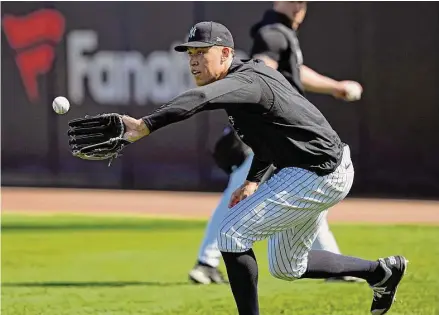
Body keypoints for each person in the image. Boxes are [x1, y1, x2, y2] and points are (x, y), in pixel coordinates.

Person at [121, 21, 408, 315]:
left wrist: (147, 124)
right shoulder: (246, 79)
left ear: (225, 53)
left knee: (231, 234)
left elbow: (200, 99)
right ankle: (381, 272)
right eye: (190, 53)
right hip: (316, 169)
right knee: (287, 266)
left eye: (201, 52)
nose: (194, 60)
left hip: (318, 172)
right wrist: (253, 180)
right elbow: (269, 137)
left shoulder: (245, 81)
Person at [188, 1, 364, 284]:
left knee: (309, 197)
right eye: (292, 1)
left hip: (281, 133)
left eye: (302, 2)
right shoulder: (272, 33)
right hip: (269, 131)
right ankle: (207, 261)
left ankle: (335, 265)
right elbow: (260, 74)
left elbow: (296, 70)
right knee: (240, 189)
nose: (298, 6)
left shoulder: (282, 33)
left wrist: (335, 87)